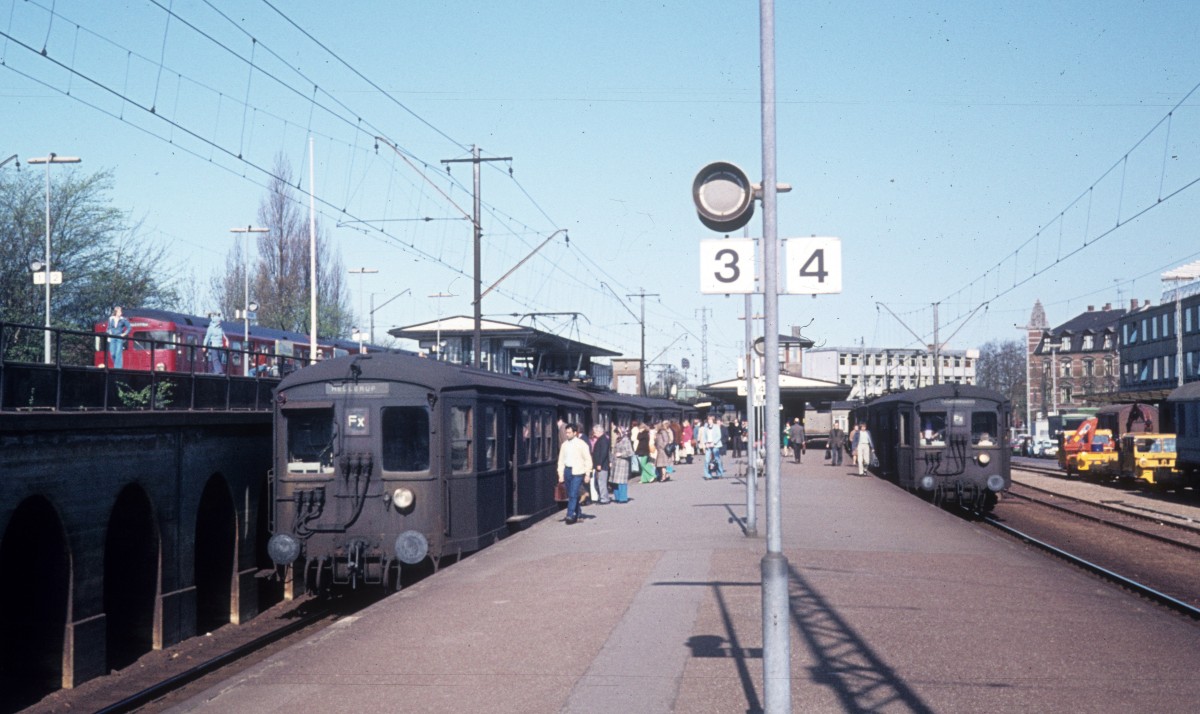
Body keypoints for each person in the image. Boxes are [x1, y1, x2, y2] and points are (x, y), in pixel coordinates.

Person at [556, 423, 592, 525]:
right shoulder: (564, 445)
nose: (567, 434)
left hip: (578, 472)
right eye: (566, 432)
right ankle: (578, 513)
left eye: (569, 432)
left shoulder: (582, 444)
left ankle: (570, 514)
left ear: (575, 433)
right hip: (567, 471)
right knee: (572, 494)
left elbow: (588, 460)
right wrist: (560, 474)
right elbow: (561, 461)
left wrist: (587, 474)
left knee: (573, 493)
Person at [610, 426, 634, 503]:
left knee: (622, 482)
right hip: (615, 463)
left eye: (617, 432)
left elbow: (630, 452)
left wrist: (621, 454)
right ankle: (617, 497)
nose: (617, 434)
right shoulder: (618, 440)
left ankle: (623, 498)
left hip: (623, 464)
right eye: (616, 433)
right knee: (615, 482)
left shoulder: (626, 440)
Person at [590, 424, 611, 504]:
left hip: (602, 465)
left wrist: (599, 464)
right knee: (598, 482)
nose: (594, 434)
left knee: (601, 482)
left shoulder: (603, 440)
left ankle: (604, 499)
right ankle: (602, 497)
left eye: (594, 432)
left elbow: (603, 453)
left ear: (599, 431)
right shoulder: (602, 439)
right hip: (600, 465)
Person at [700, 415, 725, 479]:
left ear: (713, 420)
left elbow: (719, 436)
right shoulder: (706, 427)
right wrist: (705, 443)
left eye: (710, 420)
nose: (709, 421)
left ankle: (720, 473)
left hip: (715, 445)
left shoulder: (716, 426)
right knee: (707, 460)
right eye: (708, 419)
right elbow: (704, 436)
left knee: (717, 459)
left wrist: (714, 442)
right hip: (708, 445)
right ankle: (707, 474)